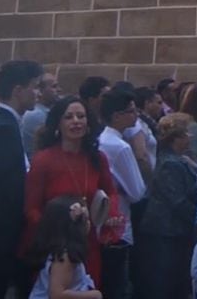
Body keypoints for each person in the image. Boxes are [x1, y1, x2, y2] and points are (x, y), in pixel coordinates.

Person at [25, 97, 123, 292]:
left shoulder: (97, 158)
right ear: (58, 124)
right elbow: (31, 209)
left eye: (81, 116)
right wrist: (56, 233)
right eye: (69, 117)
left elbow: (111, 192)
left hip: (88, 242)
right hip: (55, 247)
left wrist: (109, 214)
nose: (76, 121)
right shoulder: (43, 160)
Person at [0, 59, 42, 299]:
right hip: (3, 231)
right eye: (34, 86)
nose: (37, 92)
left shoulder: (8, 123)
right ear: (18, 90)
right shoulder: (2, 127)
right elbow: (8, 188)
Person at [137, 113, 197, 299]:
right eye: (187, 133)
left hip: (173, 232)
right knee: (166, 283)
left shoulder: (177, 159)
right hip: (167, 232)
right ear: (177, 137)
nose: (190, 137)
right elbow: (177, 201)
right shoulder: (170, 164)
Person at [96, 90, 147, 299]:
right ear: (117, 116)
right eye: (131, 111)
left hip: (101, 222)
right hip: (118, 226)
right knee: (117, 285)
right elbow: (137, 192)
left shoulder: (101, 139)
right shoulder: (119, 147)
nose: (135, 116)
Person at [27, 196, 102, 299]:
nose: (89, 224)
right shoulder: (64, 258)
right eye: (84, 220)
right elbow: (56, 295)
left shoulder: (62, 252)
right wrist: (94, 295)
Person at [23, 73, 62, 160]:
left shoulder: (46, 112)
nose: (59, 90)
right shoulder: (36, 115)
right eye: (54, 86)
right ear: (40, 91)